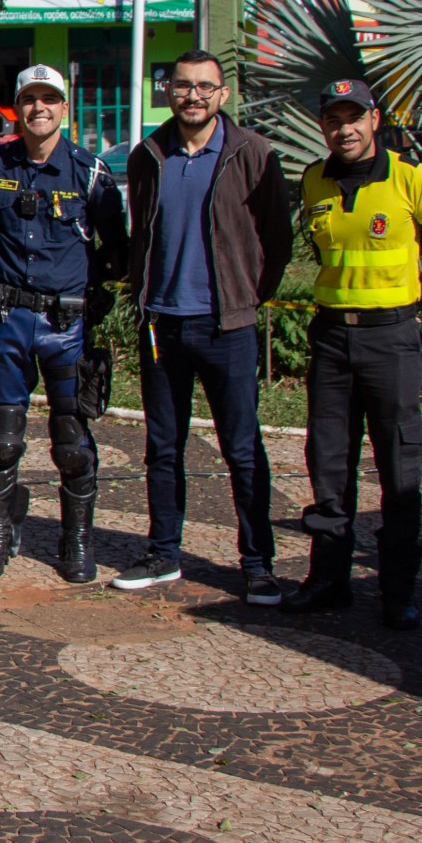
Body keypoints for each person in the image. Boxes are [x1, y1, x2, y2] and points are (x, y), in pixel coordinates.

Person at [284, 79, 422, 629]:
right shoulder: (314, 180)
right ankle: (328, 580)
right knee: (328, 461)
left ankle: (397, 589)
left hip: (391, 338)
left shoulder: (410, 178)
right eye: (334, 120)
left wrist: (411, 303)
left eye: (354, 118)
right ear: (323, 126)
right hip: (332, 336)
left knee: (398, 462)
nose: (345, 130)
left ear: (374, 120)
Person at [117, 49, 293, 601]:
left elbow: (278, 241)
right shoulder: (148, 155)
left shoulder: (252, 153)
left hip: (226, 326)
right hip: (162, 324)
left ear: (223, 94)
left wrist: (245, 297)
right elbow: (142, 233)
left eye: (204, 87)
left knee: (241, 448)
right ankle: (163, 553)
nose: (193, 96)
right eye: (182, 85)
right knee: (163, 446)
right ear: (168, 91)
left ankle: (257, 563)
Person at [0, 65, 128, 580]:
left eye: (49, 99)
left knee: (72, 443)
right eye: (30, 99)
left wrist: (93, 293)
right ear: (18, 107)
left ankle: (76, 541)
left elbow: (117, 250)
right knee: (2, 439)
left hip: (67, 324)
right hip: (8, 319)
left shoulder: (91, 171)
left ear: (64, 106)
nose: (40, 108)